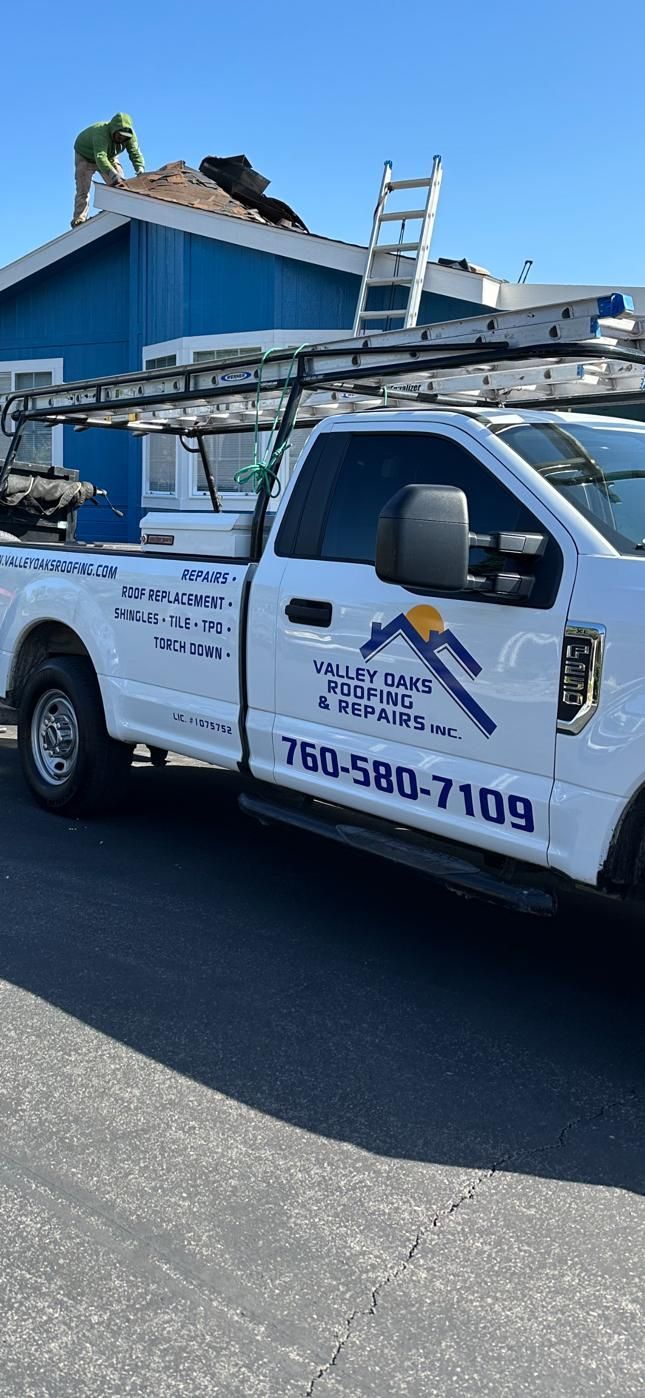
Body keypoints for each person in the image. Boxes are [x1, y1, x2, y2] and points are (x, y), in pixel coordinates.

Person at [72, 112, 144, 227]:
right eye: (119, 136)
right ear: (113, 131)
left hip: (109, 156)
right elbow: (100, 156)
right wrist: (112, 174)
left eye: (124, 138)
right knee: (83, 189)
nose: (121, 139)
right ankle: (79, 219)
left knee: (121, 185)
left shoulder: (129, 136)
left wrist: (140, 169)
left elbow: (135, 152)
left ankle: (121, 210)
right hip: (85, 156)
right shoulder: (101, 133)